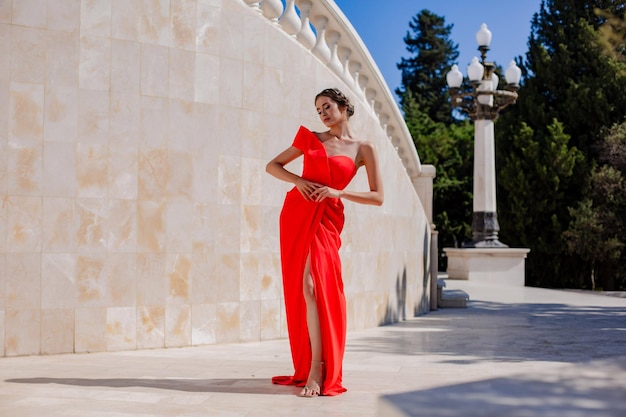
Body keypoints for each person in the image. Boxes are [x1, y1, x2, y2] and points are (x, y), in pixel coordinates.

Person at [266, 88, 384, 397]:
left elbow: (378, 196)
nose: (322, 113)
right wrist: (300, 181)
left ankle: (320, 366)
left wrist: (338, 193)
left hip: (329, 216)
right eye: (318, 109)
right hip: (298, 212)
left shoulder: (363, 148)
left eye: (327, 107)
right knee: (306, 286)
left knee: (318, 286)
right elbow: (273, 166)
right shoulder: (312, 139)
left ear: (344, 107)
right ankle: (314, 366)